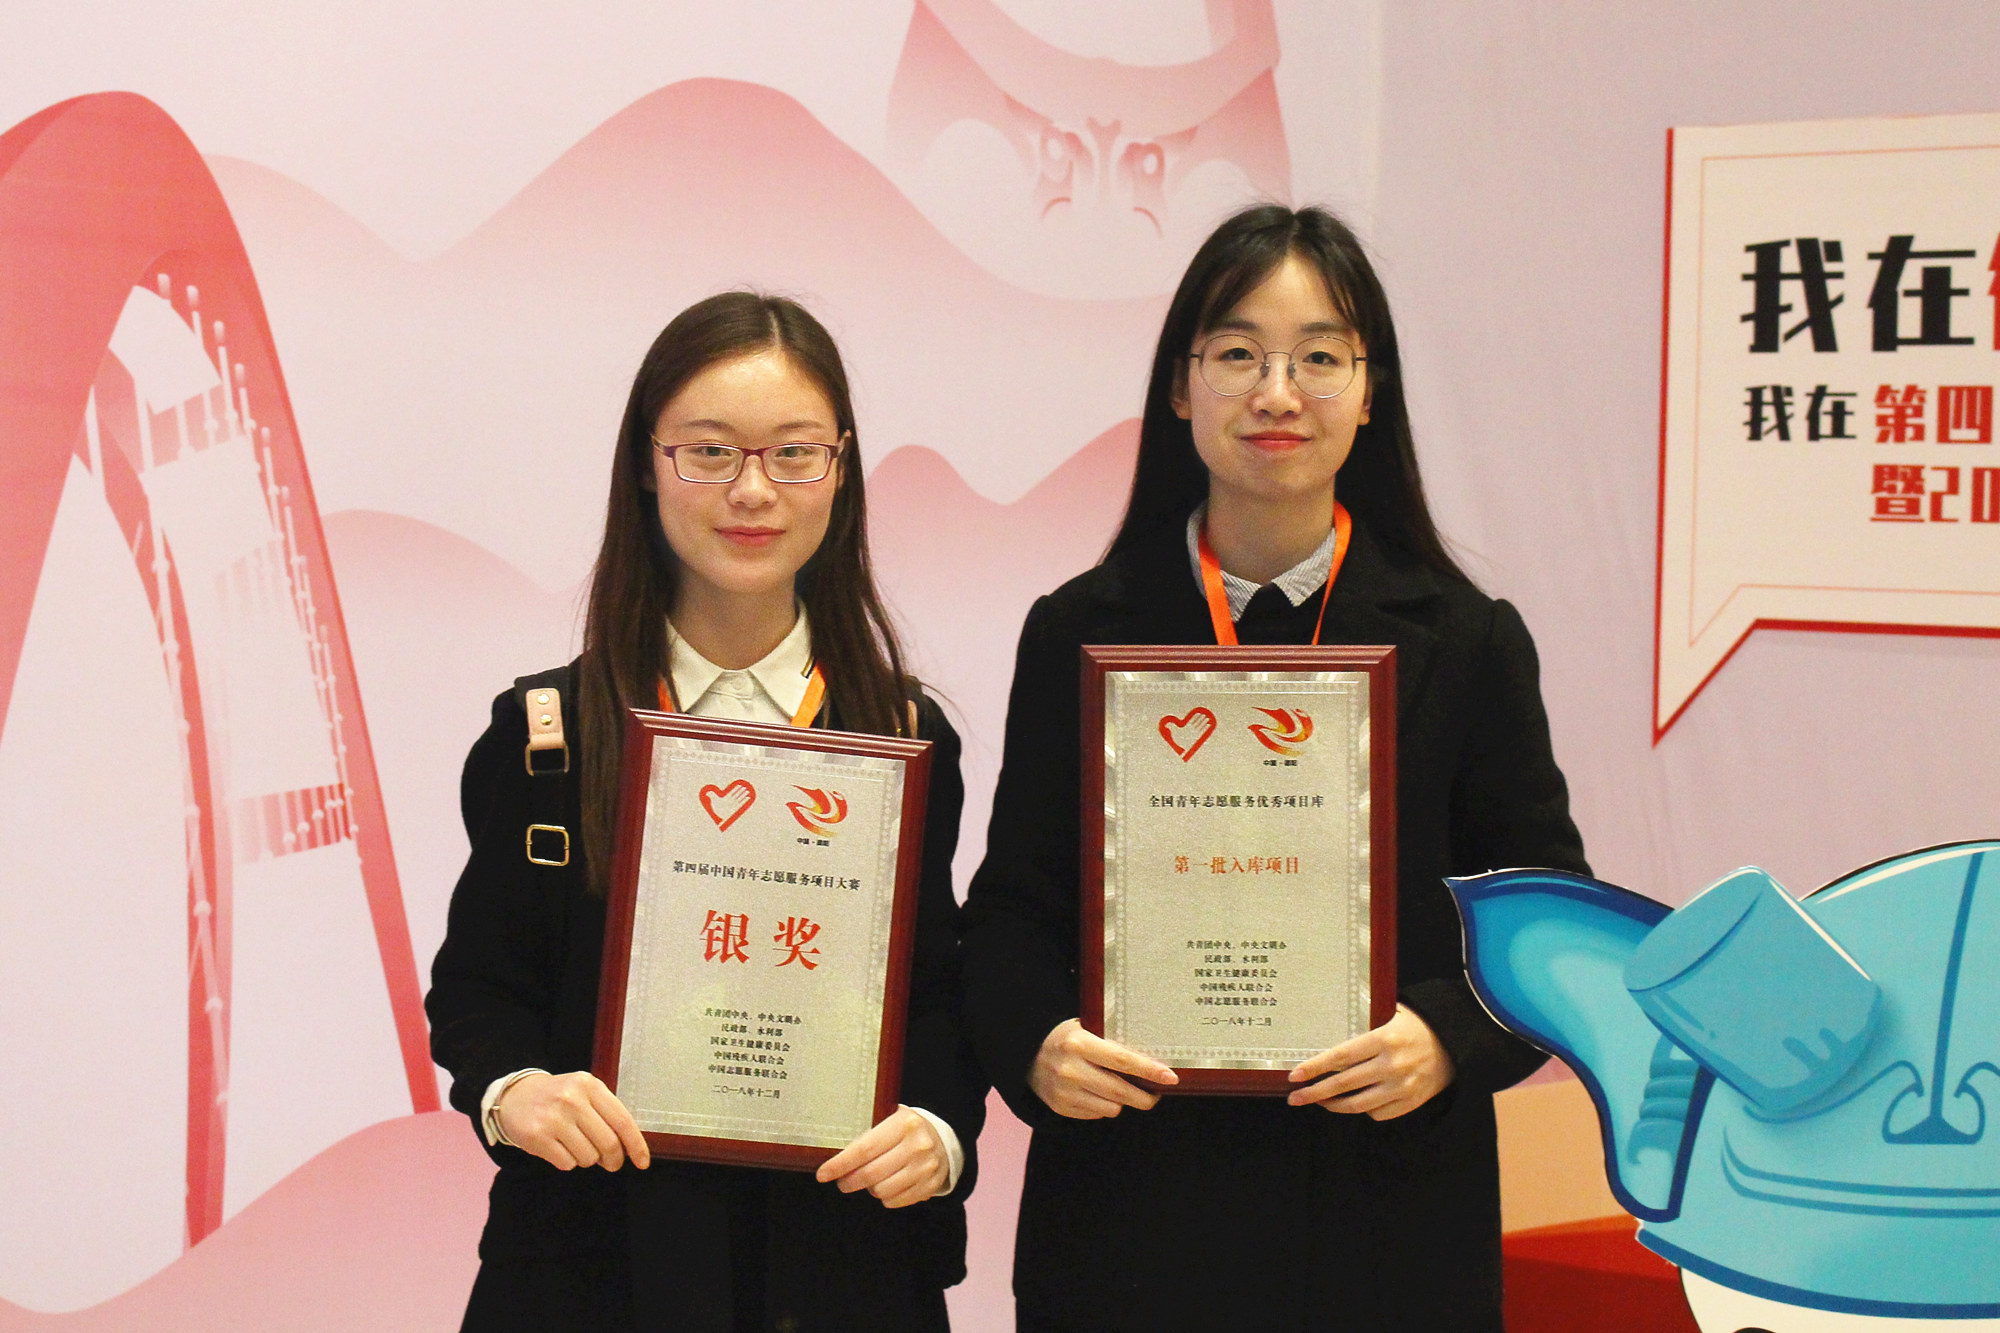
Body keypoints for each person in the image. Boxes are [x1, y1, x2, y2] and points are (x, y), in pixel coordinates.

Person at [959, 204, 1589, 1331]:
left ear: (1370, 389)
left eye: (1319, 357)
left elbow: (1545, 915)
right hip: (1132, 1208)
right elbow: (1011, 909)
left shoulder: (1466, 638)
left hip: (1383, 1214)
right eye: (1238, 353)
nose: (1277, 392)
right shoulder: (1080, 630)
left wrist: (1446, 1038)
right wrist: (1039, 1046)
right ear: (1179, 384)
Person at [427, 292, 985, 1333]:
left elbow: (941, 995)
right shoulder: (549, 736)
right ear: (648, 465)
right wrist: (515, 1090)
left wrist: (940, 1132)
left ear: (841, 469)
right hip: (594, 1267)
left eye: (794, 453)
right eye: (710, 452)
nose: (752, 490)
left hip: (841, 1266)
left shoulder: (905, 737)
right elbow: (477, 985)